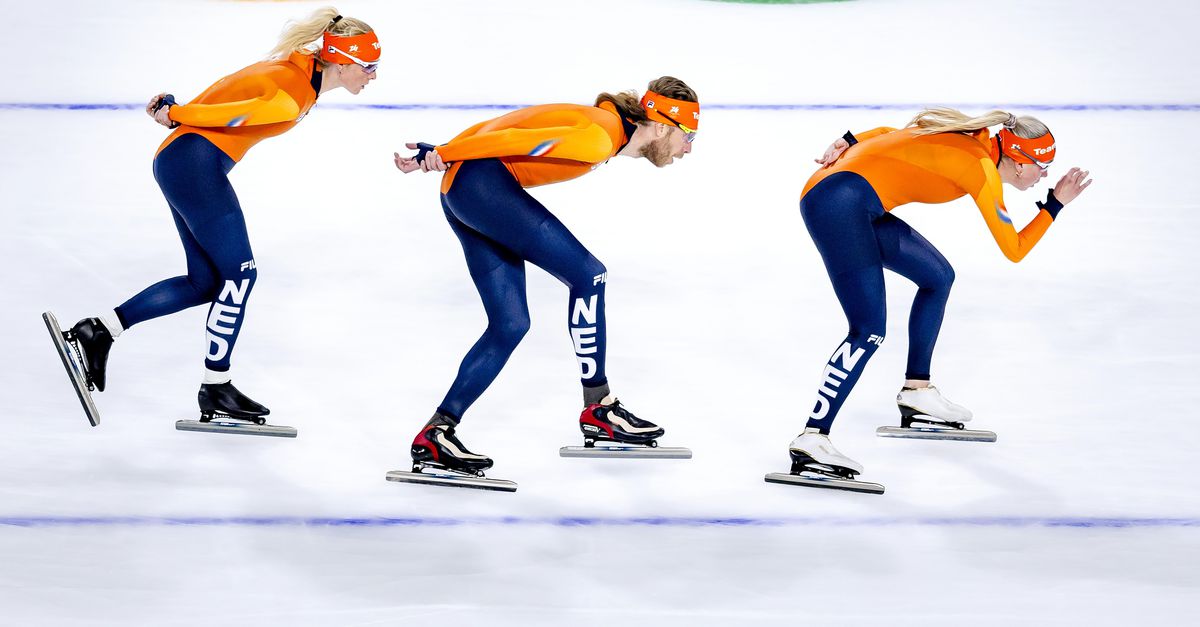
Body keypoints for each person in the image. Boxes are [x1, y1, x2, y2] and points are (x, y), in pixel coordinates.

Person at [48, 8, 380, 424]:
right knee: (241, 275)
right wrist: (179, 113)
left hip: (184, 162)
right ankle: (216, 386)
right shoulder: (293, 92)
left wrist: (175, 111)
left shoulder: (299, 67)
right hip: (194, 166)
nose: (373, 76)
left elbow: (230, 91)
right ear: (344, 61)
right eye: (369, 67)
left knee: (205, 282)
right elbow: (234, 115)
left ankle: (98, 330)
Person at [393, 77, 699, 476]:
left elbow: (508, 127)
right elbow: (514, 142)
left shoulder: (603, 126)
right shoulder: (599, 137)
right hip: (479, 186)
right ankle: (600, 408)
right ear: (661, 125)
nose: (689, 148)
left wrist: (450, 154)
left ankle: (437, 433)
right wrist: (445, 152)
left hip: (465, 189)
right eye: (688, 134)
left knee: (511, 325)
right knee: (589, 276)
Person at [788, 106, 1092, 480]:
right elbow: (1014, 250)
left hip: (853, 199)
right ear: (1016, 162)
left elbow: (891, 130)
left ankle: (916, 391)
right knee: (867, 330)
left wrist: (850, 140)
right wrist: (1055, 204)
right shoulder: (981, 169)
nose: (1043, 175)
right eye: (1040, 167)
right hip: (836, 202)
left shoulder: (975, 140)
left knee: (938, 277)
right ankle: (813, 436)